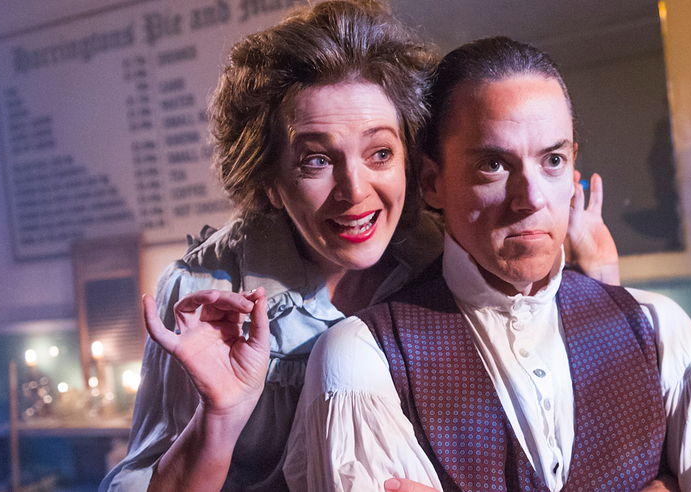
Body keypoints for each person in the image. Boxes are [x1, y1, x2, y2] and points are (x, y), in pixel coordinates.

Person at [100, 3, 619, 491]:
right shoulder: (205, 291)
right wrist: (219, 418)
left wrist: (599, 276)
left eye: (379, 153)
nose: (355, 191)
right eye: (316, 161)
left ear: (414, 163)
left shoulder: (451, 259)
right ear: (270, 182)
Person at [285, 37, 691, 492]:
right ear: (432, 181)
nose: (531, 198)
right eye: (493, 165)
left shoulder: (659, 329)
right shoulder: (362, 357)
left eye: (552, 160)